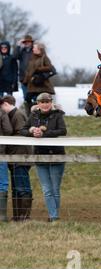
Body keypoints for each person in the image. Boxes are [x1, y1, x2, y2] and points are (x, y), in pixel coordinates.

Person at [20, 93, 67, 222]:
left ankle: (53, 217)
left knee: (55, 189)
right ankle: (54, 217)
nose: (45, 104)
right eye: (42, 102)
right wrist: (32, 131)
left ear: (51, 103)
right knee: (47, 190)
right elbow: (22, 130)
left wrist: (44, 133)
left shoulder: (57, 115)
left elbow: (63, 131)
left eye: (47, 102)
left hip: (56, 156)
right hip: (40, 156)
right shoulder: (33, 115)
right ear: (38, 103)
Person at [0, 95, 33, 221]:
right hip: (15, 156)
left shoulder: (18, 115)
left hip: (21, 156)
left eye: (1, 106)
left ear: (6, 104)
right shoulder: (12, 115)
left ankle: (24, 216)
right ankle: (17, 216)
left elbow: (20, 133)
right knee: (16, 188)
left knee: (23, 187)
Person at [22, 42, 56, 116]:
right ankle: (30, 115)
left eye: (34, 48)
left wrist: (38, 69)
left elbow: (50, 67)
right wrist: (25, 80)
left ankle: (41, 115)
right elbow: (29, 71)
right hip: (32, 84)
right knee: (27, 99)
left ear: (39, 49)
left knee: (40, 101)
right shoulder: (32, 58)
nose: (33, 49)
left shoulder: (44, 57)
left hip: (42, 85)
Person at [0, 100, 13, 222]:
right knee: (2, 184)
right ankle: (2, 216)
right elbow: (8, 130)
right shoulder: (2, 112)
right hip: (0, 152)